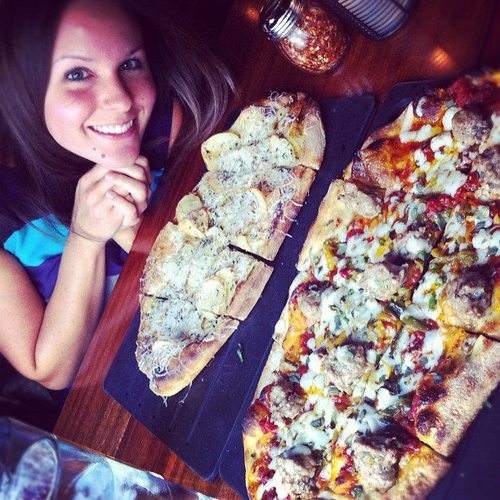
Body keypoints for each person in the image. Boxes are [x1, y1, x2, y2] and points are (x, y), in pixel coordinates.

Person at [0, 0, 233, 414]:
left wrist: (129, 226)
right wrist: (86, 238)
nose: (121, 100)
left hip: (221, 337)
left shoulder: (163, 122)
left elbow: (217, 264)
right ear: (23, 92)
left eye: (130, 64)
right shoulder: (7, 212)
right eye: (77, 74)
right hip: (120, 405)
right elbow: (49, 368)